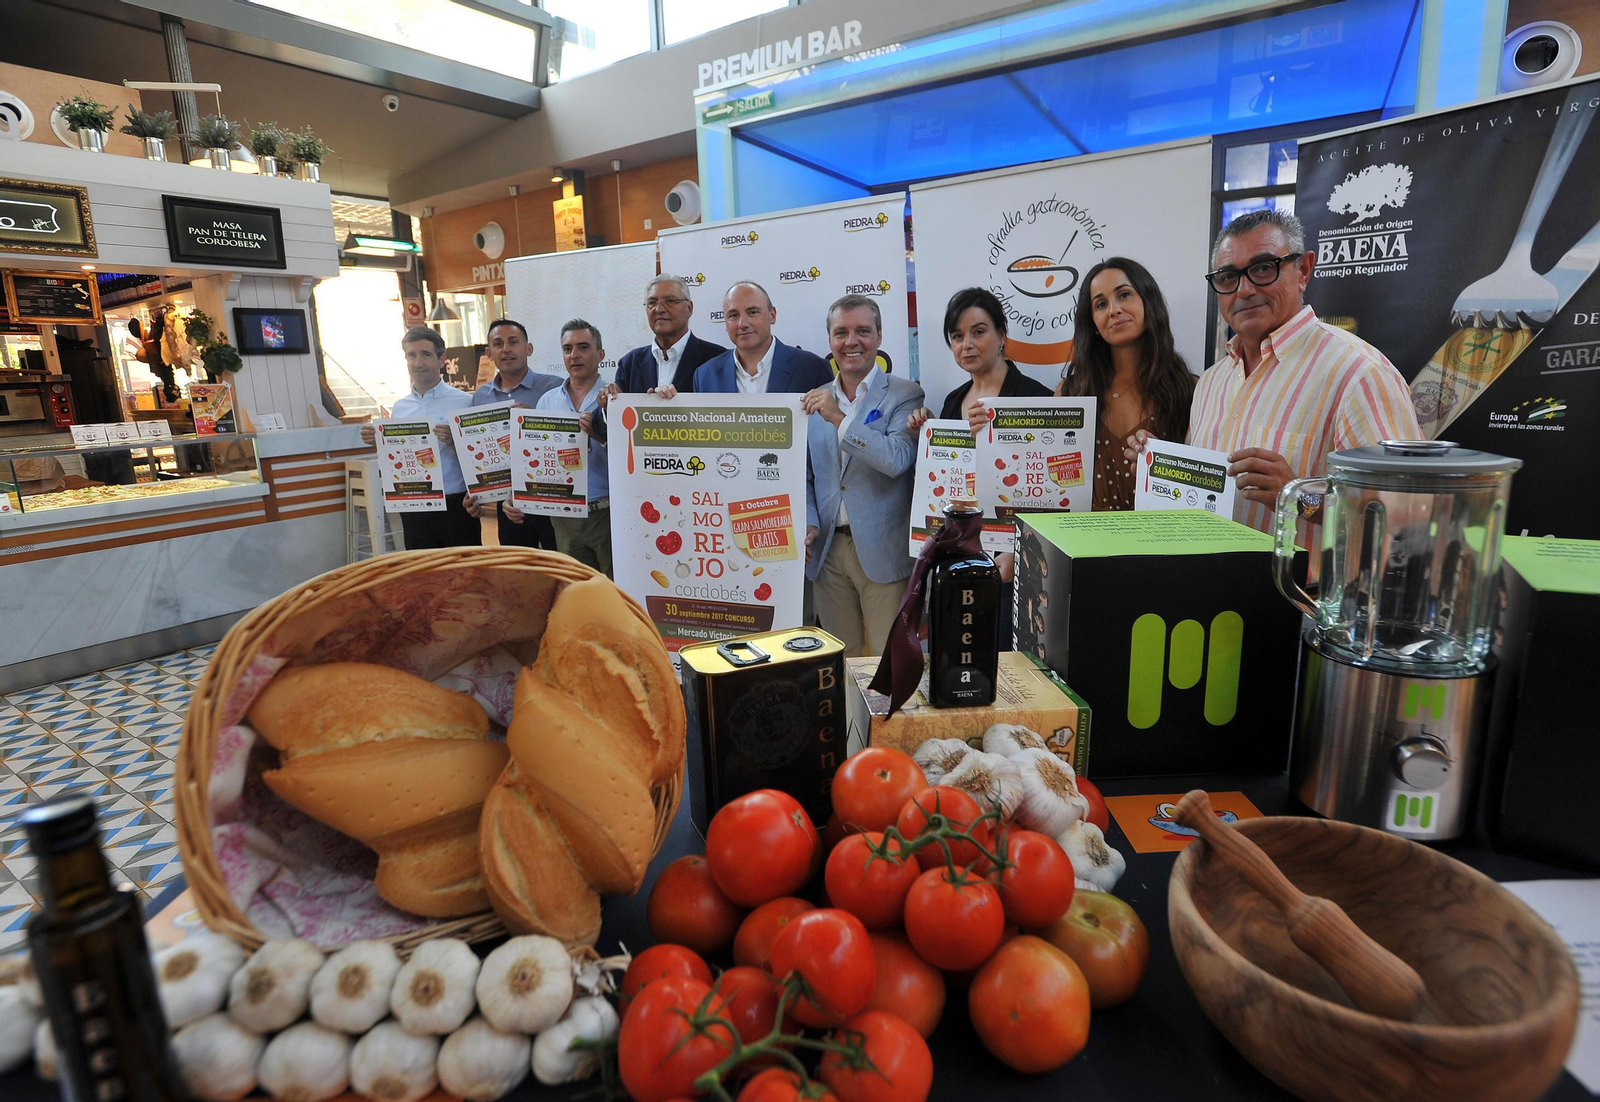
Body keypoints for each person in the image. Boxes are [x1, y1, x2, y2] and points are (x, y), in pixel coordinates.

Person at [1128, 209, 1420, 532]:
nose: (1244, 290)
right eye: (1228, 277)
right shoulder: (1211, 382)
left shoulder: (1360, 374)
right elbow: (1202, 495)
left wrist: (1298, 496)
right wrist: (1160, 468)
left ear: (1303, 271)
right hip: (1206, 579)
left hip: (1299, 585)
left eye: (1264, 268)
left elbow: (1405, 517)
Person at [802, 294, 925, 658]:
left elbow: (897, 459)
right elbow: (808, 474)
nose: (851, 341)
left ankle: (884, 720)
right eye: (841, 332)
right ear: (829, 341)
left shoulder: (905, 394)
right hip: (827, 552)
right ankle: (853, 720)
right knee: (842, 664)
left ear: (880, 336)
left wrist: (840, 421)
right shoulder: (815, 399)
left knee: (887, 666)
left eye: (862, 331)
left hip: (883, 553)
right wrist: (809, 522)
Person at [1055, 258, 1195, 510]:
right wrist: (990, 432)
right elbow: (1051, 482)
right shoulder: (1070, 393)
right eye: (1100, 304)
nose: (1114, 310)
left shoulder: (1190, 389)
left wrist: (1164, 466)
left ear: (1148, 301)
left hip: (1161, 543)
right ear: (1093, 323)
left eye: (1124, 295)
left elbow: (1201, 487)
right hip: (1083, 543)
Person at [505, 319, 613, 576]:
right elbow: (533, 459)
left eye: (583, 347)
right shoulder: (547, 401)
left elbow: (630, 459)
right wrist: (516, 494)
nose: (574, 355)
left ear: (600, 354)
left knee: (615, 593)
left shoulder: (615, 398)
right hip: (563, 518)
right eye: (567, 349)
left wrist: (600, 436)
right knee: (576, 591)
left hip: (607, 514)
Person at [359, 325, 480, 549]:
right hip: (413, 505)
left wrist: (457, 442)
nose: (418, 363)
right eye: (411, 355)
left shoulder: (465, 402)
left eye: (425, 354)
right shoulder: (400, 408)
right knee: (422, 575)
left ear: (442, 359)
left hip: (455, 505)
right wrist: (380, 443)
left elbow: (480, 455)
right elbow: (399, 456)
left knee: (465, 575)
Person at [465, 318, 562, 549]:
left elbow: (571, 440)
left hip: (552, 497)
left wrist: (535, 420)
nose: (506, 349)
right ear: (489, 352)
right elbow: (476, 452)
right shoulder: (481, 397)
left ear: (528, 348)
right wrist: (475, 494)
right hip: (507, 505)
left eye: (513, 342)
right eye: (498, 344)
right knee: (519, 576)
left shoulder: (555, 388)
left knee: (560, 572)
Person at [594, 275, 726, 443]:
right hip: (643, 467)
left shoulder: (716, 359)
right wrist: (608, 407)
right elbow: (603, 429)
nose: (659, 309)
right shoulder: (630, 363)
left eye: (670, 301)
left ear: (689, 308)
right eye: (652, 303)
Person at [907, 287, 1053, 435]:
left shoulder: (1038, 398)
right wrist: (935, 433)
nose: (967, 344)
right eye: (958, 336)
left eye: (979, 332)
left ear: (1001, 336)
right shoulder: (952, 401)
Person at [684, 282, 833, 395]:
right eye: (733, 315)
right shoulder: (705, 375)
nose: (742, 324)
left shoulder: (813, 369)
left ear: (772, 315)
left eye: (753, 312)